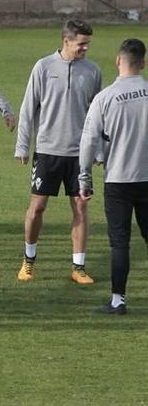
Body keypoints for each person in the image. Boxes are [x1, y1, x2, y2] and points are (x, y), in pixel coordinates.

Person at [15, 20, 102, 284]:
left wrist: (98, 150)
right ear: (66, 41)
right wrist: (22, 145)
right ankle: (28, 260)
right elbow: (28, 108)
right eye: (81, 44)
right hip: (47, 151)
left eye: (88, 44)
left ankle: (78, 267)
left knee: (80, 207)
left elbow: (100, 116)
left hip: (80, 154)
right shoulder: (43, 67)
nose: (85, 48)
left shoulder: (93, 71)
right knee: (37, 207)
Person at [79, 39, 147, 314]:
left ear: (118, 61)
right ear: (142, 63)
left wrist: (84, 179)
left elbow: (88, 140)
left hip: (118, 180)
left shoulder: (105, 97)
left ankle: (118, 300)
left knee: (120, 242)